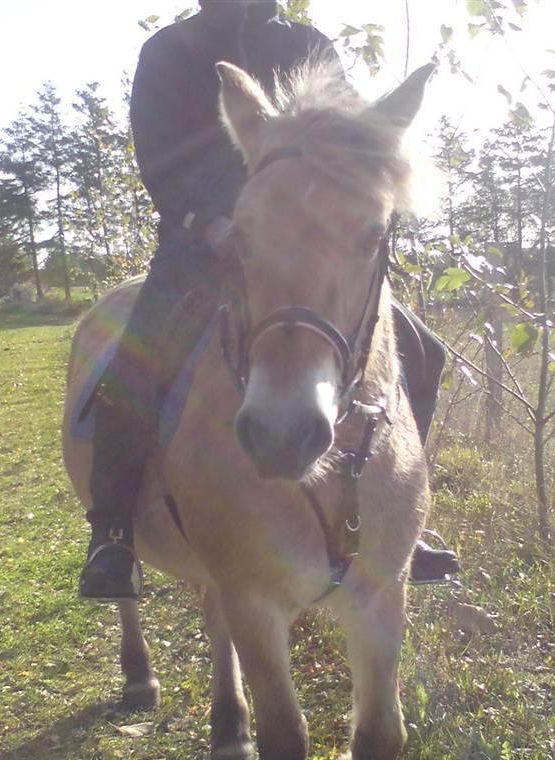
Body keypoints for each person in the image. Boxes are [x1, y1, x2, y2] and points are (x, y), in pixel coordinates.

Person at [79, 0, 459, 601]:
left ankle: (403, 515)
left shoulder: (308, 41)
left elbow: (353, 144)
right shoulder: (169, 52)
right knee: (132, 372)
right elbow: (158, 160)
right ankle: (114, 532)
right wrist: (211, 224)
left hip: (310, 250)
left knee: (425, 351)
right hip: (201, 246)